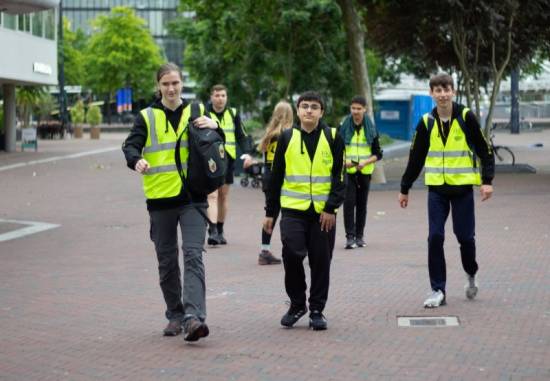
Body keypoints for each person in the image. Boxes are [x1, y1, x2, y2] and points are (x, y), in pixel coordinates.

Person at [122, 63, 223, 342]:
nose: (171, 88)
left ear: (182, 83)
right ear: (158, 86)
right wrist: (136, 160)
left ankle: (193, 318)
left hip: (193, 198)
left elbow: (215, 144)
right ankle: (175, 315)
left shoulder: (197, 111)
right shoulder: (146, 116)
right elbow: (130, 145)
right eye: (165, 84)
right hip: (160, 200)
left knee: (192, 255)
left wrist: (216, 127)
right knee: (167, 262)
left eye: (175, 83)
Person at [398, 73, 494, 308]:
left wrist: (487, 180)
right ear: (431, 94)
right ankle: (437, 289)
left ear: (453, 91)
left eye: (446, 89)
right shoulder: (426, 122)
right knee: (435, 237)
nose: (442, 94)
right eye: (437, 90)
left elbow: (485, 150)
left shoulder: (465, 116)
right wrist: (405, 187)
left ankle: (471, 272)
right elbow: (416, 158)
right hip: (437, 190)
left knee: (465, 238)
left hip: (462, 189)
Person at [263, 91, 345, 330]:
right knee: (292, 254)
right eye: (305, 106)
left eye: (314, 107)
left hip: (323, 213)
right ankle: (297, 303)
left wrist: (331, 207)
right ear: (297, 111)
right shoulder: (286, 138)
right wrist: (271, 212)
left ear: (321, 112)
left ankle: (317, 310)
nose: (309, 110)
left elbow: (340, 177)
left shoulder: (333, 137)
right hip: (293, 211)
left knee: (321, 261)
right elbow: (275, 179)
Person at [206, 84, 253, 245]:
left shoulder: (233, 113)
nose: (220, 98)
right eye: (217, 95)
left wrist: (247, 153)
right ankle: (212, 231)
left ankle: (219, 229)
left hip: (228, 159)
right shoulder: (204, 113)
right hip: (210, 159)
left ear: (226, 98)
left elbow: (242, 135)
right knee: (212, 195)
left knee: (223, 195)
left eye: (223, 95)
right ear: (211, 97)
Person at [338, 96, 383, 249]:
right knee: (349, 203)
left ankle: (359, 236)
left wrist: (365, 162)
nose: (355, 111)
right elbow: (336, 152)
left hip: (365, 172)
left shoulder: (371, 128)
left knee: (362, 205)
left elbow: (378, 153)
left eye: (359, 108)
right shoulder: (343, 127)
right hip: (348, 171)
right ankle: (349, 237)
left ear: (364, 109)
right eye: (353, 108)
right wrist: (345, 164)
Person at [256, 101, 294, 265]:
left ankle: (264, 250)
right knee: (289, 215)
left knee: (270, 214)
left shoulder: (269, 134)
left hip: (268, 178)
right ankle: (292, 250)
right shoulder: (288, 135)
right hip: (282, 179)